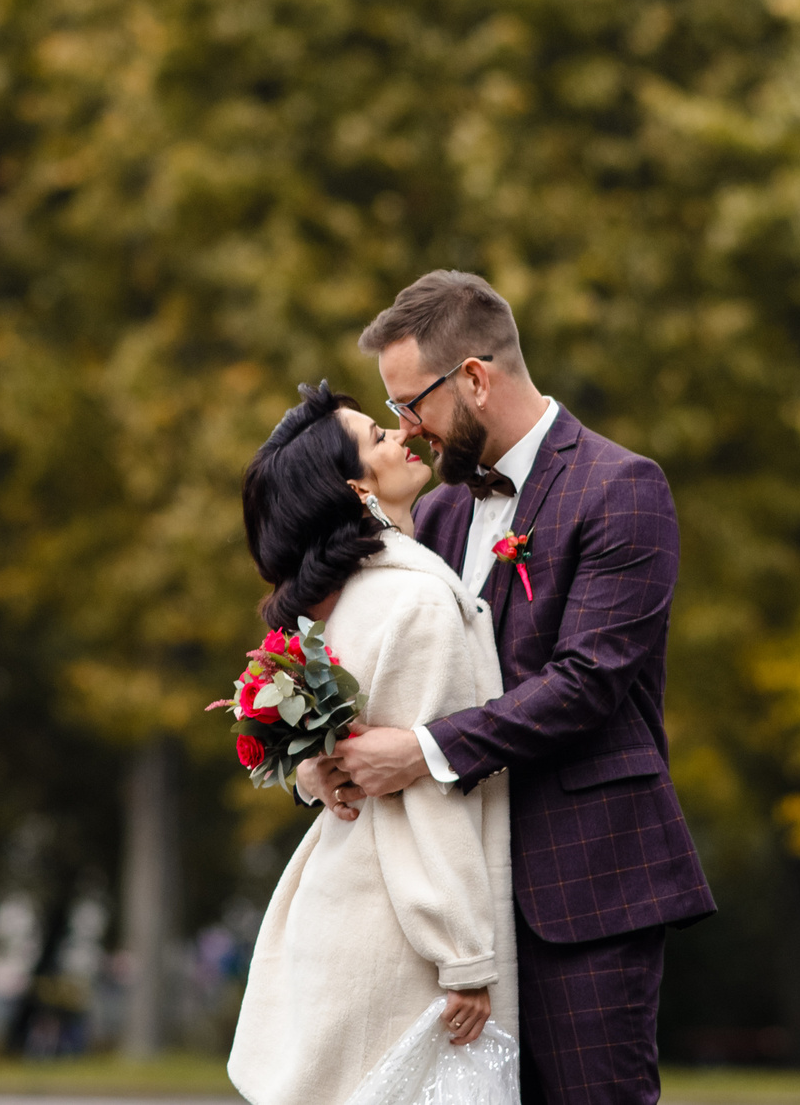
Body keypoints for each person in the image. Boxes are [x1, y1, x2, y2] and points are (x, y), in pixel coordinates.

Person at [306, 271, 713, 1105]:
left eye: (413, 403)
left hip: (586, 887)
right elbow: (409, 667)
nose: (407, 430)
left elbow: (586, 682)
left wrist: (420, 752)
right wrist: (330, 759)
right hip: (463, 903)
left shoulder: (623, 488)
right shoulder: (446, 511)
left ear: (476, 379)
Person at [227, 383, 515, 1105]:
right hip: (398, 933)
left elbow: (328, 761)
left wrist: (313, 776)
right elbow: (432, 792)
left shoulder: (344, 604)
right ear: (358, 486)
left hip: (346, 908)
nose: (399, 433)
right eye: (375, 436)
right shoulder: (416, 600)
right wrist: (464, 955)